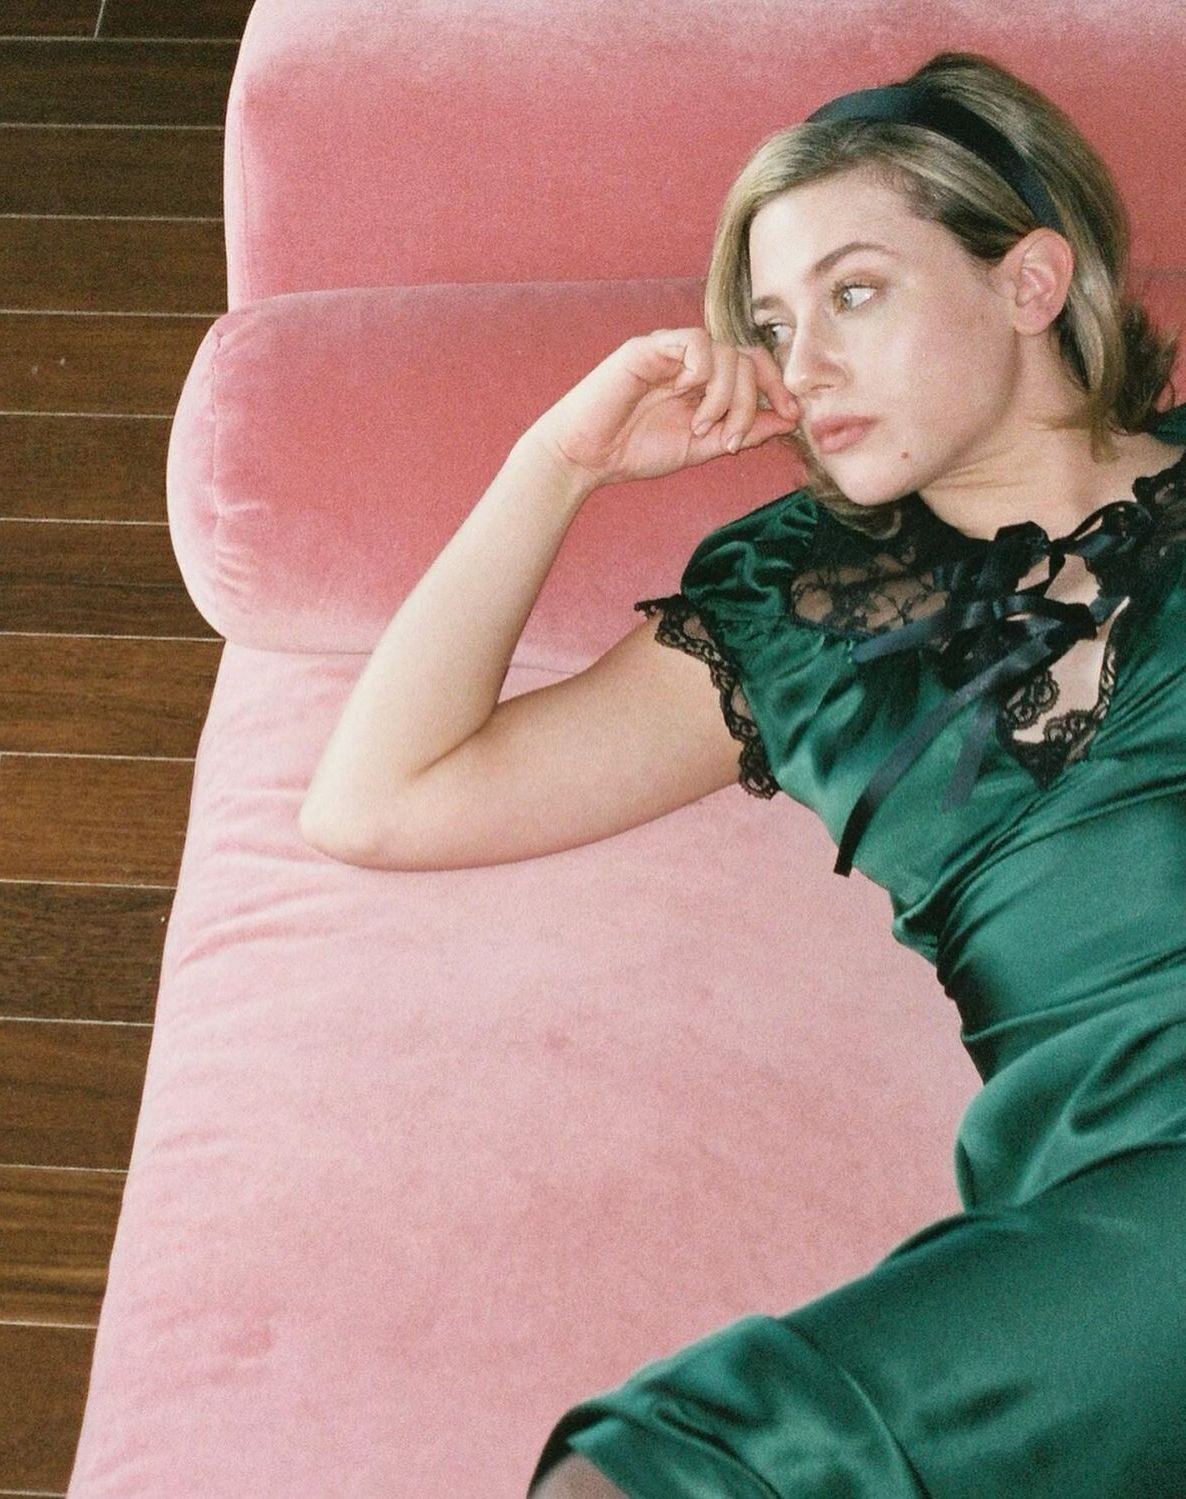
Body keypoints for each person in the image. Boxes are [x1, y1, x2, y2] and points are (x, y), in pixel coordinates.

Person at [299, 49, 1186, 1499]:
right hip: (1113, 1243)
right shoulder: (800, 612)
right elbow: (379, 800)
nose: (803, 364)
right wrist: (558, 462)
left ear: (1029, 281)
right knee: (659, 1472)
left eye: (855, 293)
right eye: (774, 323)